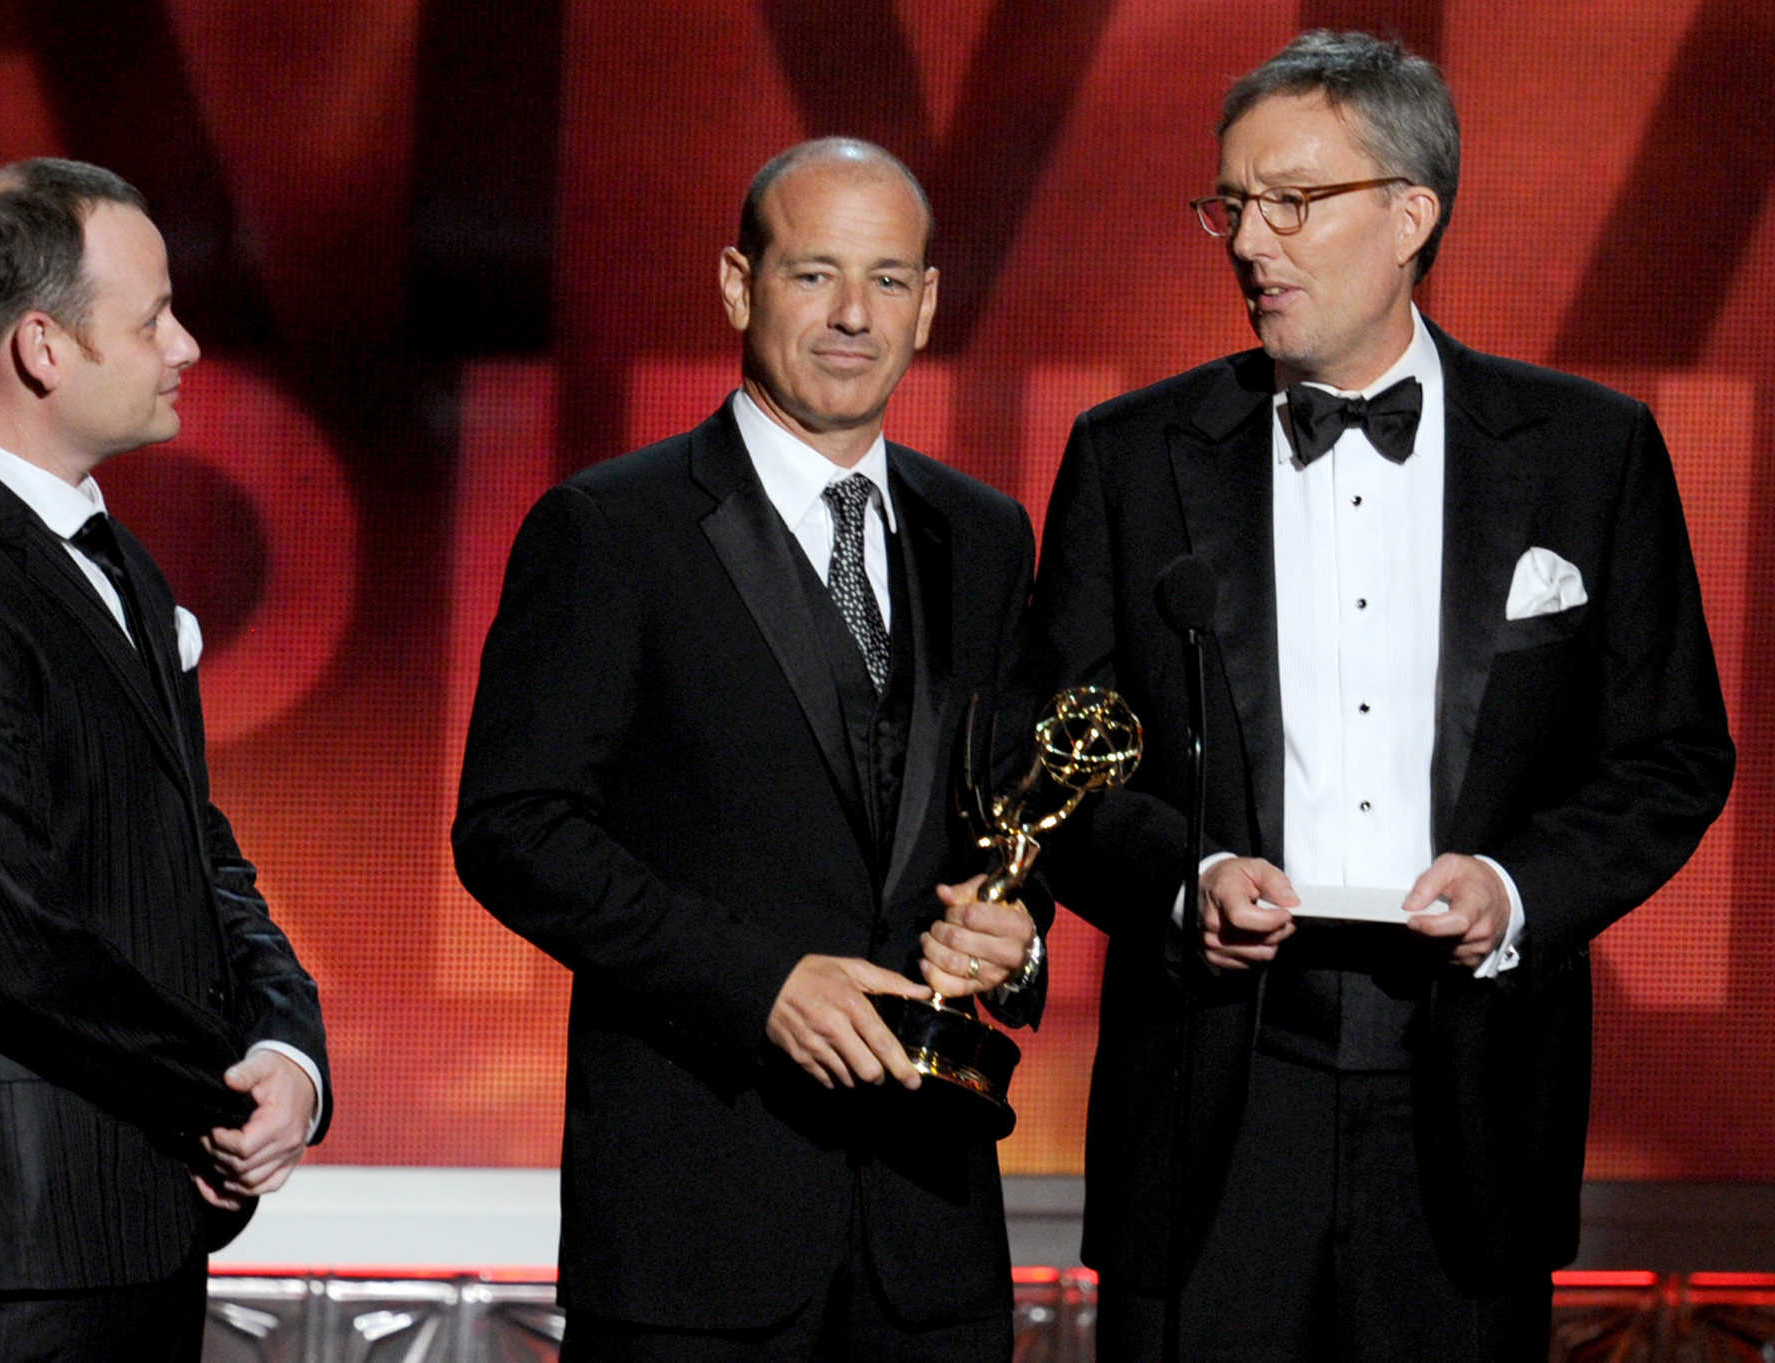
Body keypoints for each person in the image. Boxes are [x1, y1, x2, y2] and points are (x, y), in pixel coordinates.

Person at [1028, 32, 1734, 1363]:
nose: (1250, 240)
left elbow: (1671, 753)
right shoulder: (1131, 459)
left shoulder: (1589, 454)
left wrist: (1518, 888)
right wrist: (1190, 874)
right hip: (1212, 1100)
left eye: (1294, 200)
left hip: (1469, 1103)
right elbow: (1046, 753)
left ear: (1414, 210)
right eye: (1230, 205)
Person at [454, 138, 1046, 1361]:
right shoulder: (611, 527)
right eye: (812, 273)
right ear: (737, 284)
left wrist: (1015, 930)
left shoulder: (983, 536)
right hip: (693, 1226)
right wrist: (759, 983)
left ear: (929, 305)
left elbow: (1004, 819)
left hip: (928, 1240)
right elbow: (513, 829)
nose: (849, 316)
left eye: (887, 280)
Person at [0, 158, 331, 1362]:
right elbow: (7, 933)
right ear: (43, 348)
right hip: (14, 1254)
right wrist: (213, 1101)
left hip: (141, 1224)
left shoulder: (116, 561)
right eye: (151, 317)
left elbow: (191, 845)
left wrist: (285, 1048)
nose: (186, 346)